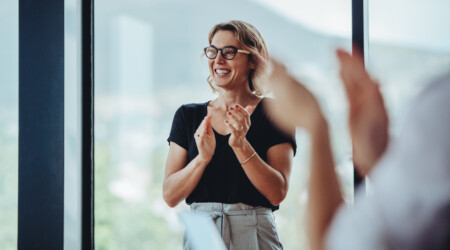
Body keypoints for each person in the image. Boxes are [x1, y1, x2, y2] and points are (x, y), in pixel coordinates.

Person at [265, 48, 450, 250]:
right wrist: (379, 160)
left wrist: (315, 123)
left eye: (230, 51)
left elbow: (331, 243)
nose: (222, 59)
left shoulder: (440, 109)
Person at [163, 20, 296, 250]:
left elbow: (277, 193)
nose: (218, 60)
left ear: (253, 60)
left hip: (255, 232)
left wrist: (241, 145)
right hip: (202, 234)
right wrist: (201, 159)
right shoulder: (188, 115)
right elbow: (170, 195)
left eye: (229, 52)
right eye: (213, 51)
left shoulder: (276, 114)